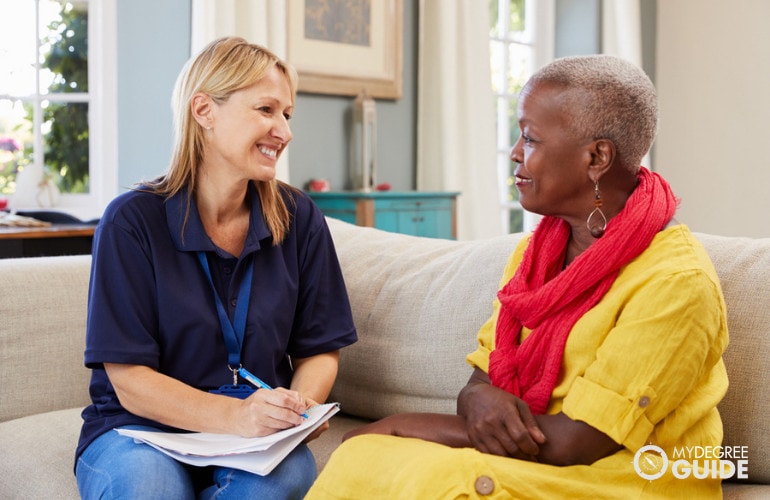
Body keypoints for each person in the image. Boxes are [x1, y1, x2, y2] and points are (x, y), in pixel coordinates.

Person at [306, 55, 729, 498]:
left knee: (439, 479)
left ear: (597, 157)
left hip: (623, 477)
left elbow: (574, 442)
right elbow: (483, 376)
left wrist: (403, 425)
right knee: (361, 455)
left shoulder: (677, 283)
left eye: (529, 137)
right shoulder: (536, 253)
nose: (513, 152)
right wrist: (477, 400)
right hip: (543, 460)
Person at [75, 37, 357, 499]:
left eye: (287, 115)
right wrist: (235, 417)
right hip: (141, 431)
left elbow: (320, 350)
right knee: (150, 489)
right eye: (265, 110)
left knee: (284, 477)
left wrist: (300, 411)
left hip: (256, 437)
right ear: (204, 111)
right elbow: (129, 381)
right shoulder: (131, 221)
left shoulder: (299, 217)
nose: (283, 131)